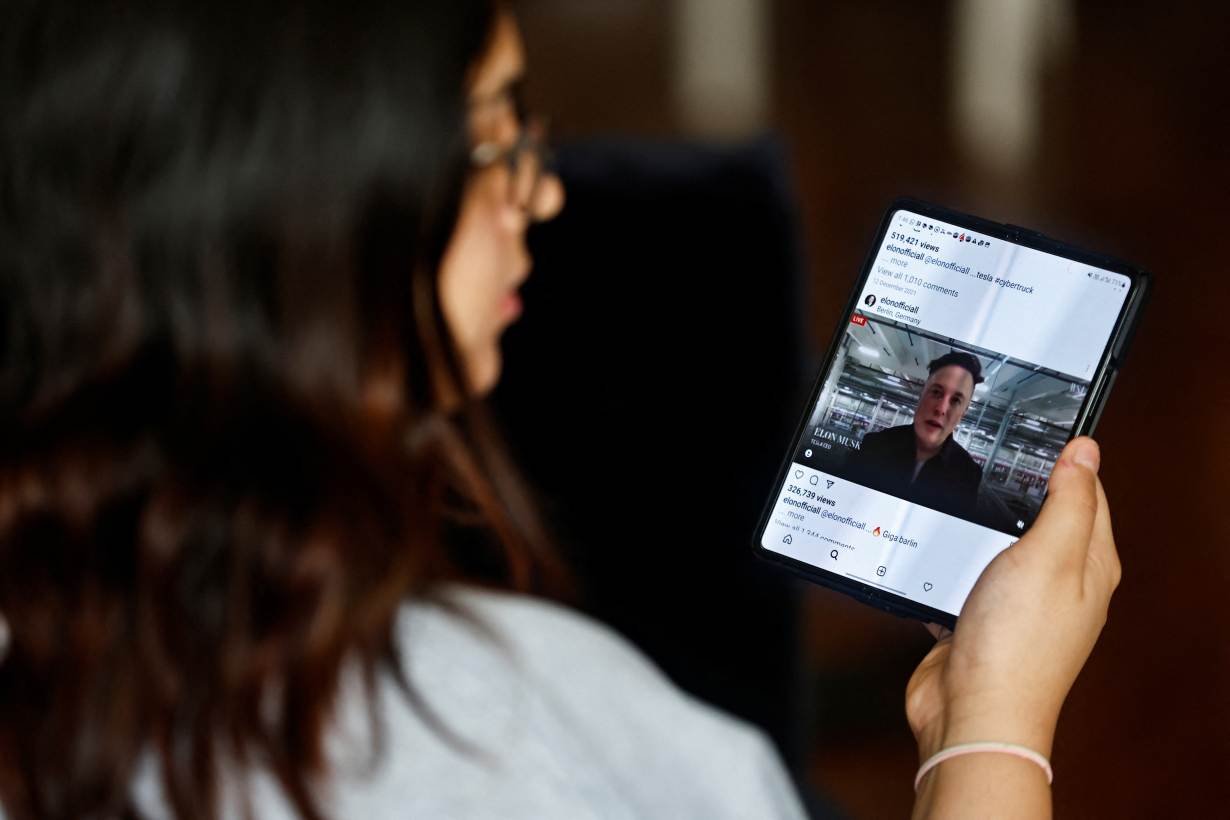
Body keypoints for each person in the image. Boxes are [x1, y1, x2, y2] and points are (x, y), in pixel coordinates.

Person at [0, 2, 1120, 819]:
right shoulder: (508, 741)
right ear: (303, 206)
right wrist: (991, 730)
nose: (540, 189)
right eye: (493, 140)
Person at [847, 351, 985, 519]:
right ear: (922, 394)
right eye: (936, 392)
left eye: (956, 400)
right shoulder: (874, 445)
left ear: (963, 412)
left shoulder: (968, 475)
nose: (941, 409)